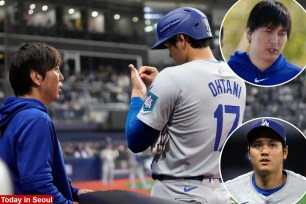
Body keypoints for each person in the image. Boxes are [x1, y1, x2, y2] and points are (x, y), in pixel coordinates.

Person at [125, 7, 246, 203]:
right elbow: (195, 100)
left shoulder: (172, 77)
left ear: (181, 39)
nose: (169, 54)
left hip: (179, 192)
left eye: (169, 46)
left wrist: (138, 95)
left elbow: (135, 141)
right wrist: (162, 86)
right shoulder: (237, 78)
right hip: (220, 192)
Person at [0, 42, 92, 203]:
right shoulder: (35, 119)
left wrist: (73, 192)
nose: (62, 76)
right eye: (56, 69)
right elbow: (38, 189)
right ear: (36, 76)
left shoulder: (14, 115)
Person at [224, 118, 306, 204]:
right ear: (249, 153)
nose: (264, 152)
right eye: (257, 145)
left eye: (272, 145)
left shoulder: (303, 187)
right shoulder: (229, 190)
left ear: (285, 152)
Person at [227, 0, 302, 86]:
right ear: (249, 33)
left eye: (281, 34)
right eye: (268, 31)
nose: (275, 40)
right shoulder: (228, 72)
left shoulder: (297, 76)